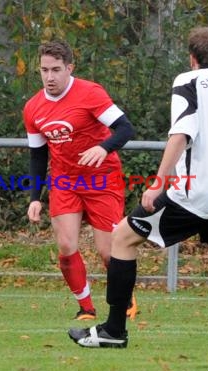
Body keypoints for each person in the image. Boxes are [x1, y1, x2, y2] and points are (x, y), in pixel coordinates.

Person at [68, 26, 208, 351]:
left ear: (192, 59)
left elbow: (181, 134)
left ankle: (114, 331)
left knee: (122, 238)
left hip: (197, 192)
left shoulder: (187, 82)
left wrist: (157, 184)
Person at [23, 40, 138, 321]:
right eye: (44, 70)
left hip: (102, 179)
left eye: (56, 70)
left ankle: (124, 299)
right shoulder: (33, 108)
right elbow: (37, 156)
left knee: (108, 251)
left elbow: (125, 128)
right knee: (65, 245)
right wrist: (35, 197)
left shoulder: (90, 93)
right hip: (65, 181)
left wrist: (103, 148)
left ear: (69, 68)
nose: (49, 77)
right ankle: (86, 307)